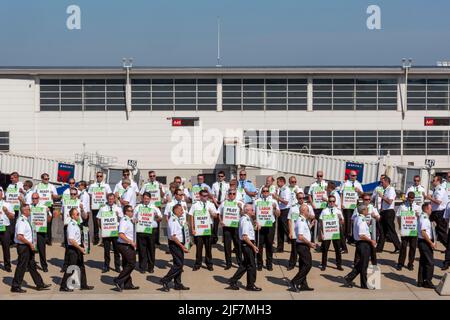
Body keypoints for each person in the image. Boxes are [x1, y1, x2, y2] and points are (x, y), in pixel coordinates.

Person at [11, 204, 51, 293]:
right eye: (29, 209)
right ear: (24, 211)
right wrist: (30, 243)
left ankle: (40, 284)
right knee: (21, 267)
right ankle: (15, 286)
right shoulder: (21, 221)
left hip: (27, 247)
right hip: (23, 247)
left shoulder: (26, 220)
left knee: (32, 266)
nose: (30, 210)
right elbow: (19, 236)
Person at [226, 204, 261, 291]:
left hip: (248, 244)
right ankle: (250, 285)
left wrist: (256, 226)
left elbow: (249, 232)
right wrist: (253, 246)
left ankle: (233, 281)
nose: (253, 211)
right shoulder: (245, 220)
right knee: (251, 265)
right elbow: (245, 236)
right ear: (247, 211)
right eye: (252, 210)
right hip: (247, 244)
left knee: (245, 265)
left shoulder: (247, 219)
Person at [59, 208, 94, 292]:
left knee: (81, 267)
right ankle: (63, 286)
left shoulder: (77, 224)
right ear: (72, 216)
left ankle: (83, 285)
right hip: (73, 249)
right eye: (77, 214)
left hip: (78, 248)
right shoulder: (71, 225)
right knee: (71, 268)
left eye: (78, 213)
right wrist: (80, 248)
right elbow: (71, 240)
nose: (78, 215)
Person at [343, 204, 376, 289]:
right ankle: (364, 285)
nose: (368, 210)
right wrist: (371, 241)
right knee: (364, 265)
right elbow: (361, 235)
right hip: (363, 244)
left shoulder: (358, 218)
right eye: (366, 209)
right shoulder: (361, 220)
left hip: (361, 244)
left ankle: (349, 277)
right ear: (363, 211)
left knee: (361, 264)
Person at [160, 204, 190, 291]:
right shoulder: (173, 220)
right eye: (181, 210)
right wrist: (182, 246)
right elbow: (173, 237)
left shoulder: (177, 219)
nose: (182, 211)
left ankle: (178, 283)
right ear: (175, 210)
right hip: (175, 244)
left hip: (179, 244)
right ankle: (165, 280)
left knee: (179, 264)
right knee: (178, 265)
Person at [288, 204, 317, 292]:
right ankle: (295, 282)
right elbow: (300, 237)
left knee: (302, 266)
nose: (309, 212)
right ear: (303, 211)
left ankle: (303, 284)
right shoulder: (301, 221)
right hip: (302, 246)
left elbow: (304, 231)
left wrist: (311, 225)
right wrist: (310, 243)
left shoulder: (303, 220)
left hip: (303, 246)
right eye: (308, 211)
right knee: (308, 265)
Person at [188, 189, 218, 271]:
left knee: (208, 247)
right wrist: (192, 228)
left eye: (207, 196)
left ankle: (209, 264)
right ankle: (198, 263)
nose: (206, 197)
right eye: (204, 196)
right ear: (200, 196)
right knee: (199, 248)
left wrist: (212, 213)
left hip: (208, 228)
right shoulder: (195, 205)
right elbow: (191, 216)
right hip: (198, 228)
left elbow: (216, 216)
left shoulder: (211, 204)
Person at [133, 192, 162, 274]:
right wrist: (135, 219)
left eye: (147, 199)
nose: (146, 200)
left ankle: (151, 267)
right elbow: (133, 217)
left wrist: (157, 217)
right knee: (142, 250)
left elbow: (160, 218)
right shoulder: (138, 207)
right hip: (141, 230)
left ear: (150, 199)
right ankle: (142, 267)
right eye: (144, 198)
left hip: (151, 231)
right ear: (142, 199)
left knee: (151, 249)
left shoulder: (154, 208)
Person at [254, 186, 280, 271]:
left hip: (270, 226)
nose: (265, 192)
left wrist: (275, 208)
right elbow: (253, 213)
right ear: (261, 192)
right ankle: (259, 264)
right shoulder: (257, 201)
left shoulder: (273, 201)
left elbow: (278, 214)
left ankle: (269, 264)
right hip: (260, 226)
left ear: (269, 192)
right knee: (259, 245)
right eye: (263, 191)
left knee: (269, 245)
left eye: (266, 191)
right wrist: (255, 221)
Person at [287, 192, 315, 270]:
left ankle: (303, 264)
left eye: (303, 198)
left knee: (305, 250)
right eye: (300, 198)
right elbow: (289, 220)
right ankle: (291, 264)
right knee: (294, 250)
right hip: (295, 232)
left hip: (304, 232)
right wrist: (290, 232)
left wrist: (308, 215)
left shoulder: (308, 206)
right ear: (297, 198)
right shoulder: (293, 207)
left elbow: (313, 216)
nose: (302, 199)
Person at [114, 205, 139, 291]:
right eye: (131, 211)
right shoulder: (124, 220)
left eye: (132, 211)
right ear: (126, 212)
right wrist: (130, 241)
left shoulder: (129, 220)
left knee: (126, 264)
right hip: (125, 245)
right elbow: (121, 234)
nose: (132, 212)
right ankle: (118, 280)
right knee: (132, 263)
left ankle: (128, 284)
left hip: (127, 245)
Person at [60, 188, 85, 273]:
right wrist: (66, 221)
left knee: (79, 244)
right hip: (69, 225)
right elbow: (62, 214)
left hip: (78, 225)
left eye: (74, 194)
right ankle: (65, 265)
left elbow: (85, 217)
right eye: (71, 194)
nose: (73, 195)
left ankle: (78, 263)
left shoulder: (79, 202)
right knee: (68, 247)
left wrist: (81, 209)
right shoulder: (65, 201)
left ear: (77, 194)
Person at [218, 188, 244, 269]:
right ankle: (228, 263)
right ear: (228, 194)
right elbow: (219, 213)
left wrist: (240, 208)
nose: (232, 195)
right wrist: (221, 221)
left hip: (236, 227)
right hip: (227, 227)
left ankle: (240, 262)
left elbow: (244, 214)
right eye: (230, 194)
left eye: (233, 194)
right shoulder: (224, 203)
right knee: (227, 246)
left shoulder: (239, 203)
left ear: (236, 194)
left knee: (238, 245)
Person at [97, 193, 123, 273]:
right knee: (106, 251)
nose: (111, 200)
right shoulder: (103, 208)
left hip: (115, 232)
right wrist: (102, 227)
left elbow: (122, 219)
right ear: (107, 199)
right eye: (109, 199)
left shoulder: (118, 208)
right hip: (106, 233)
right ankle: (106, 266)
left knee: (116, 250)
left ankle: (117, 266)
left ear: (114, 199)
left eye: (112, 199)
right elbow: (98, 219)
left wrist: (117, 216)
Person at [352, 194, 379, 266]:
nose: (367, 201)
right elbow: (353, 219)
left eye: (369, 199)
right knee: (359, 246)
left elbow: (378, 218)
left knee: (373, 246)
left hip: (371, 229)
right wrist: (361, 219)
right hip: (362, 230)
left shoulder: (372, 207)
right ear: (363, 200)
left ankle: (374, 263)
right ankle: (356, 262)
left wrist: (375, 216)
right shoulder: (358, 208)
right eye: (366, 199)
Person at [396, 191, 421, 271]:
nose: (411, 200)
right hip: (405, 229)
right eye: (410, 198)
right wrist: (400, 226)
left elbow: (421, 218)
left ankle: (410, 263)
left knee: (413, 247)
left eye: (412, 198)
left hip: (413, 230)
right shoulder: (402, 206)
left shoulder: (417, 207)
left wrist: (418, 215)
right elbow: (398, 216)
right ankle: (400, 263)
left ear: (414, 198)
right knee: (403, 246)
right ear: (407, 198)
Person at [376, 176, 401, 253]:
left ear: (387, 182)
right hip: (384, 212)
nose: (381, 184)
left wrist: (382, 197)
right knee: (382, 230)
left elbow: (390, 201)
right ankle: (379, 248)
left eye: (382, 182)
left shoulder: (391, 189)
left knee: (391, 230)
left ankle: (399, 247)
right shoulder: (385, 190)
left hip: (389, 212)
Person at [319, 195, 344, 271]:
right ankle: (323, 265)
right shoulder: (324, 211)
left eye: (333, 201)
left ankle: (338, 265)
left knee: (337, 250)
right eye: (330, 201)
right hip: (327, 233)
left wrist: (340, 218)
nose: (332, 203)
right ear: (328, 202)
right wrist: (321, 233)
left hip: (335, 233)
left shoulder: (338, 210)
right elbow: (321, 222)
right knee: (325, 250)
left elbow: (342, 222)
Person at [140, 170, 165, 246]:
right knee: (148, 222)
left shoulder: (159, 184)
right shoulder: (146, 185)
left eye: (153, 176)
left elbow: (162, 195)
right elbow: (141, 194)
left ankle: (156, 240)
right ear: (149, 177)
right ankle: (149, 239)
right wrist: (143, 202)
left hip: (157, 206)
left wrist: (160, 188)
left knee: (157, 223)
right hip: (148, 206)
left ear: (155, 176)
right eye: (151, 176)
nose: (152, 177)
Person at [33, 173, 58, 246]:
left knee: (49, 223)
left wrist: (54, 196)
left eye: (48, 178)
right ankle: (39, 239)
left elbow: (56, 196)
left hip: (49, 206)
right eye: (45, 179)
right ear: (42, 179)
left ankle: (48, 240)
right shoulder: (37, 186)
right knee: (39, 222)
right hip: (39, 207)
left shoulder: (51, 186)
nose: (47, 180)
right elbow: (34, 195)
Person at [88, 171, 112, 245]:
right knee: (95, 224)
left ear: (103, 177)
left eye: (100, 176)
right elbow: (90, 196)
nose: (99, 177)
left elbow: (109, 195)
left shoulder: (106, 185)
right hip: (95, 207)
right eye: (98, 176)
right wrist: (90, 205)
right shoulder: (92, 186)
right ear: (96, 177)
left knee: (104, 223)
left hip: (103, 207)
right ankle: (96, 239)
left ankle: (105, 240)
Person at [340, 170, 364, 245]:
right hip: (346, 205)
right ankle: (346, 237)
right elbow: (341, 194)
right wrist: (341, 203)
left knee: (355, 221)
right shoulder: (345, 183)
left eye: (355, 176)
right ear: (349, 175)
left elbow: (362, 194)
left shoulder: (358, 184)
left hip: (355, 204)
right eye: (352, 175)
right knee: (347, 222)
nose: (353, 177)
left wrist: (359, 191)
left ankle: (353, 238)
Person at [30, 193, 52, 272]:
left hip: (40, 232)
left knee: (42, 250)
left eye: (35, 198)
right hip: (31, 231)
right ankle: (31, 266)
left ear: (38, 198)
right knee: (31, 249)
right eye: (33, 198)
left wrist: (48, 212)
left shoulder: (44, 207)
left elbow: (49, 220)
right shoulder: (29, 207)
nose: (34, 200)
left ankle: (44, 266)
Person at [417, 203, 436, 289]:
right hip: (425, 242)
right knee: (430, 263)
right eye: (430, 209)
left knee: (423, 262)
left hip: (422, 242)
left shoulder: (423, 217)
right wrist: (431, 243)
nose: (431, 210)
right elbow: (424, 233)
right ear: (426, 209)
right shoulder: (424, 218)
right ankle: (428, 281)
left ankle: (421, 281)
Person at [425, 175, 448, 247]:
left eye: (434, 180)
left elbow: (438, 202)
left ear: (438, 181)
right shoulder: (436, 189)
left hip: (439, 213)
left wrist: (429, 198)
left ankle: (448, 247)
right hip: (435, 212)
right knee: (430, 228)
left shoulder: (440, 189)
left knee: (441, 232)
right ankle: (430, 243)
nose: (432, 182)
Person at [308, 171, 328, 242]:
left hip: (324, 207)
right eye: (318, 176)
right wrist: (312, 203)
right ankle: (313, 238)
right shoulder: (313, 185)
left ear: (323, 176)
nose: (319, 177)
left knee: (323, 223)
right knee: (314, 222)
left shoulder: (326, 184)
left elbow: (329, 194)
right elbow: (309, 195)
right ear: (316, 176)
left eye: (321, 176)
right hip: (316, 207)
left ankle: (323, 239)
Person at [274, 176, 292, 254]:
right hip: (281, 210)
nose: (277, 183)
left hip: (285, 210)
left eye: (278, 182)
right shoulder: (280, 189)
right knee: (280, 230)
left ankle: (293, 242)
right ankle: (280, 248)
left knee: (286, 229)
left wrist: (277, 197)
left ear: (282, 182)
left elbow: (286, 202)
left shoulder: (286, 190)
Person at [5, 172, 24, 244]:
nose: (11, 179)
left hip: (17, 208)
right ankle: (10, 239)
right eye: (10, 178)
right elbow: (7, 196)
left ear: (17, 178)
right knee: (10, 224)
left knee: (15, 224)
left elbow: (25, 194)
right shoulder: (9, 185)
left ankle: (13, 240)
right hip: (10, 208)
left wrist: (22, 191)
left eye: (12, 178)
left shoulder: (21, 184)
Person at [212, 171, 230, 245]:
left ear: (224, 177)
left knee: (224, 222)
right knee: (215, 223)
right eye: (219, 176)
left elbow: (227, 195)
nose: (220, 177)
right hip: (216, 204)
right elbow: (213, 196)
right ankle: (214, 239)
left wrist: (222, 204)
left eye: (222, 176)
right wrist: (216, 203)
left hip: (223, 204)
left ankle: (224, 239)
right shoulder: (214, 185)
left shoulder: (227, 185)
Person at [0, 190, 14, 272]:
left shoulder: (7, 204)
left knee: (6, 247)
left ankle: (7, 265)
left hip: (5, 228)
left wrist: (6, 211)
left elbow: (12, 217)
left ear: (2, 195)